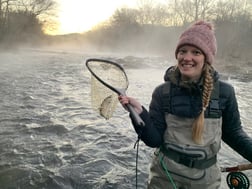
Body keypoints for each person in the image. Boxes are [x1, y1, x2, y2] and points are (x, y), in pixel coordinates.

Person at [118, 20, 252, 189]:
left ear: (207, 58)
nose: (187, 58)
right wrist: (139, 114)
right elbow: (154, 140)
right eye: (183, 51)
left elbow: (233, 133)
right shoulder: (162, 92)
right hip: (163, 177)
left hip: (206, 181)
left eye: (196, 52)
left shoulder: (225, 92)